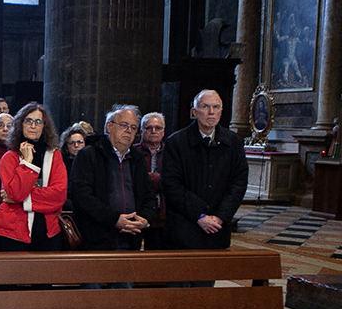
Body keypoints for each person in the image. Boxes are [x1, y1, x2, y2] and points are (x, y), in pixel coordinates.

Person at [162, 89, 248, 268]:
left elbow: (238, 183)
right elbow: (171, 185)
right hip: (184, 228)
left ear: (221, 111)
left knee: (207, 282)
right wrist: (200, 215)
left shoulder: (232, 142)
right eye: (205, 107)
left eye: (216, 107)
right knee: (180, 280)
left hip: (216, 229)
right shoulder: (176, 142)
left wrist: (220, 216)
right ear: (195, 112)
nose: (211, 112)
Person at [69, 105, 156, 256]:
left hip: (131, 239)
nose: (128, 131)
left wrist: (145, 219)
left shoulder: (138, 159)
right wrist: (114, 219)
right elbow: (81, 196)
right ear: (109, 126)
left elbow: (149, 196)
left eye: (133, 127)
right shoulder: (89, 155)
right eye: (124, 125)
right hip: (96, 240)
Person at [0, 103, 66, 252]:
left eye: (38, 122)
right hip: (13, 232)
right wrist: (27, 164)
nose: (33, 126)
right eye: (28, 121)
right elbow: (15, 193)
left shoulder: (54, 156)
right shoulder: (9, 158)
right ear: (20, 124)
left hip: (48, 233)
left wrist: (23, 199)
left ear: (44, 126)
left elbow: (58, 196)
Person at [132, 112, 166, 250]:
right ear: (141, 131)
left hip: (164, 211)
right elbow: (134, 180)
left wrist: (147, 177)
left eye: (158, 128)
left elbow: (171, 181)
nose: (153, 131)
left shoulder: (171, 152)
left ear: (163, 131)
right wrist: (159, 179)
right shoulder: (132, 152)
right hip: (138, 212)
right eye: (149, 128)